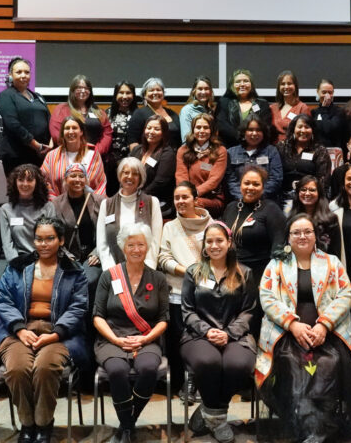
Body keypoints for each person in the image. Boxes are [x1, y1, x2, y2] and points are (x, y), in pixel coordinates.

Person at [256, 214, 351, 443]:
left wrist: (324, 325)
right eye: (296, 232)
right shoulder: (276, 265)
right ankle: (307, 430)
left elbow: (346, 295)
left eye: (307, 231)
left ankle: (319, 430)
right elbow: (267, 298)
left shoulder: (332, 262)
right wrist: (292, 324)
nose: (302, 236)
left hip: (327, 334)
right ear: (288, 237)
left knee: (328, 364)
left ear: (316, 235)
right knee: (293, 365)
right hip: (286, 335)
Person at [0, 217, 89, 443]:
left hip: (58, 332)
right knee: (16, 368)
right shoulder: (17, 267)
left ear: (61, 240)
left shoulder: (74, 270)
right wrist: (20, 329)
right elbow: (2, 299)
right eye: (39, 239)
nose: (43, 244)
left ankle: (43, 424)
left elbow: (78, 306)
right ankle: (28, 423)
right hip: (18, 331)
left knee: (45, 367)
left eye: (50, 239)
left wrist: (55, 334)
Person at [181, 222, 258, 443]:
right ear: (204, 245)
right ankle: (218, 420)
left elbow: (249, 311)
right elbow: (187, 311)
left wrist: (229, 333)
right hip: (198, 336)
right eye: (209, 241)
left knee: (239, 365)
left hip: (236, 335)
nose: (214, 245)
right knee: (208, 362)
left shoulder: (245, 273)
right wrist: (207, 331)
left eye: (219, 240)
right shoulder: (193, 272)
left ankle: (209, 412)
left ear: (229, 243)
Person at [93, 223, 170, 443]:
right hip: (112, 337)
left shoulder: (158, 279)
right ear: (123, 247)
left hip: (147, 338)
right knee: (117, 370)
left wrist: (146, 338)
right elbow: (97, 316)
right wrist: (115, 339)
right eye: (131, 245)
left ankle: (127, 423)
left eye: (141, 245)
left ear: (148, 247)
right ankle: (128, 426)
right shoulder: (109, 276)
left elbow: (164, 319)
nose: (136, 249)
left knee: (147, 369)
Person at [158, 182, 213, 399]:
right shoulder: (170, 227)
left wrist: (203, 275)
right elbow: (163, 258)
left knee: (203, 336)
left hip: (208, 292)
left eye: (185, 197)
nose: (180, 202)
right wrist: (188, 272)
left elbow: (220, 254)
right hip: (178, 289)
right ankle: (186, 381)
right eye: (177, 198)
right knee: (181, 337)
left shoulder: (212, 224)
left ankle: (201, 379)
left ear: (195, 199)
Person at [223, 165, 287, 336]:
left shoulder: (271, 209)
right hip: (232, 271)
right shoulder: (231, 207)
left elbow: (278, 247)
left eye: (256, 184)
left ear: (263, 187)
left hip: (259, 275)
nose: (250, 188)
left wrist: (268, 281)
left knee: (253, 320)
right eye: (247, 183)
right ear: (240, 184)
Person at [97, 157, 164, 268]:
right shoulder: (106, 204)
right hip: (113, 268)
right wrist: (111, 270)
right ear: (119, 176)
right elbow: (102, 243)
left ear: (140, 177)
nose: (130, 177)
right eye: (126, 173)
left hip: (144, 268)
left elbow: (155, 241)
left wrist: (147, 268)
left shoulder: (152, 202)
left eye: (135, 174)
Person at [51, 163, 104, 297]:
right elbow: (54, 234)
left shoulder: (100, 201)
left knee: (87, 280)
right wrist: (66, 255)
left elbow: (108, 230)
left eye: (81, 176)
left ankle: (86, 316)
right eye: (73, 176)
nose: (77, 179)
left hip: (92, 256)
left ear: (86, 180)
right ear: (65, 179)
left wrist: (98, 252)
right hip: (67, 256)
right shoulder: (56, 204)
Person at [0, 57, 52, 173]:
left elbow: (50, 121)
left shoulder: (38, 96)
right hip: (16, 155)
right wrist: (36, 146)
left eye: (27, 72)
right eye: (19, 72)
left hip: (41, 155)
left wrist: (50, 146)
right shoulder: (6, 95)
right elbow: (12, 124)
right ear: (10, 75)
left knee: (39, 189)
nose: (23, 75)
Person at [41, 116, 108, 199]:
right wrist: (55, 203)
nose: (71, 131)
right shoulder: (51, 156)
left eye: (74, 128)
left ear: (81, 132)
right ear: (62, 133)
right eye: (67, 128)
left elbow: (100, 183)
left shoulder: (93, 154)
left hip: (88, 206)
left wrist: (93, 204)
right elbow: (44, 182)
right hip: (59, 207)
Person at [0, 164, 56, 261]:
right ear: (15, 183)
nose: (25, 184)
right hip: (18, 261)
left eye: (29, 180)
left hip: (43, 260)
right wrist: (16, 263)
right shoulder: (6, 210)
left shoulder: (48, 207)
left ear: (37, 183)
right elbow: (7, 244)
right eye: (21, 180)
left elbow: (52, 239)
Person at [49, 74, 113, 160]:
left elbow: (107, 133)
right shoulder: (61, 109)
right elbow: (56, 134)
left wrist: (95, 152)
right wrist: (76, 151)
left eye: (86, 88)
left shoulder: (98, 111)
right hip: (69, 157)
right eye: (79, 87)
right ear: (72, 90)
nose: (83, 90)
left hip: (95, 157)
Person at [176, 113, 229, 215]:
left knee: (192, 204)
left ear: (211, 130)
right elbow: (181, 176)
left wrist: (192, 194)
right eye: (198, 127)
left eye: (206, 128)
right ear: (193, 130)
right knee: (184, 203)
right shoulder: (183, 150)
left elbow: (214, 181)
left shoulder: (220, 151)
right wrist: (187, 195)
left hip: (211, 198)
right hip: (188, 197)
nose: (201, 131)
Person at [224, 113, 283, 202]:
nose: (254, 133)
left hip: (266, 201)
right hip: (238, 200)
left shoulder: (271, 151)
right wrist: (242, 197)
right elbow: (230, 180)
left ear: (264, 133)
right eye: (250, 130)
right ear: (244, 132)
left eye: (258, 130)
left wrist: (257, 195)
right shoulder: (231, 152)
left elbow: (276, 179)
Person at [130, 114, 178, 220]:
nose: (151, 132)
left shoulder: (167, 153)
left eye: (156, 129)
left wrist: (139, 195)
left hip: (157, 200)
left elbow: (160, 181)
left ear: (164, 133)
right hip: (132, 196)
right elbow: (125, 171)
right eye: (149, 128)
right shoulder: (137, 149)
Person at [277, 114, 331, 203]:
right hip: (283, 197)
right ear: (293, 129)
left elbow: (323, 181)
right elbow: (275, 174)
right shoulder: (282, 147)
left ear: (312, 130)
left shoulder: (320, 151)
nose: (303, 130)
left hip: (310, 197)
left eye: (307, 127)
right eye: (300, 127)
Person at [286, 175, 342, 258]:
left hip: (324, 266)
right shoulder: (291, 218)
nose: (307, 193)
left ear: (319, 193)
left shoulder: (330, 219)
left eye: (312, 190)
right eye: (303, 190)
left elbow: (335, 252)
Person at [216, 69, 273, 148]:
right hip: (231, 148)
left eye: (246, 81)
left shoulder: (262, 104)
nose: (242, 84)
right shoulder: (224, 102)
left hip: (258, 148)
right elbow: (222, 126)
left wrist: (251, 139)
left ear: (251, 84)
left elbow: (266, 126)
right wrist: (243, 138)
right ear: (232, 85)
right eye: (238, 82)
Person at [128, 77, 183, 151]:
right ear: (144, 95)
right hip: (148, 157)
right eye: (151, 90)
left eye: (158, 90)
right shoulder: (139, 114)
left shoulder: (172, 113)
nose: (155, 93)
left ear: (163, 93)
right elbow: (133, 141)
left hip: (172, 157)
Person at [106, 81, 140, 196]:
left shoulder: (139, 114)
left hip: (132, 164)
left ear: (133, 95)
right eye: (121, 93)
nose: (125, 96)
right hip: (110, 165)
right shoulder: (107, 113)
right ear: (116, 95)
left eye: (128, 93)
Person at [270, 70, 312, 142]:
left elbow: (307, 134)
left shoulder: (302, 108)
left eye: (289, 83)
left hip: (293, 148)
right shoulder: (272, 108)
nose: (286, 87)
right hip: (273, 149)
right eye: (283, 84)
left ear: (295, 86)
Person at [312, 79, 348, 154]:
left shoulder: (339, 112)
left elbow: (328, 129)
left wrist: (324, 108)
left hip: (335, 153)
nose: (327, 96)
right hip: (317, 153)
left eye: (330, 92)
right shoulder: (313, 112)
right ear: (317, 92)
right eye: (324, 92)